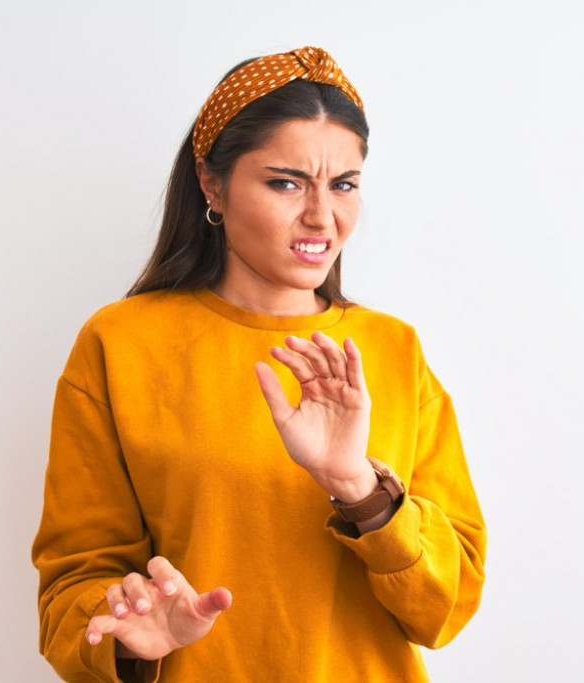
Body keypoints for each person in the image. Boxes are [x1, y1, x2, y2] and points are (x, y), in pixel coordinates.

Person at [32, 45, 486, 682]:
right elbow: (70, 591)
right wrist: (131, 640)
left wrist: (359, 489)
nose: (321, 217)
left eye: (343, 184)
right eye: (285, 182)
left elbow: (446, 609)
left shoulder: (393, 349)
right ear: (211, 183)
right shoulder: (121, 343)